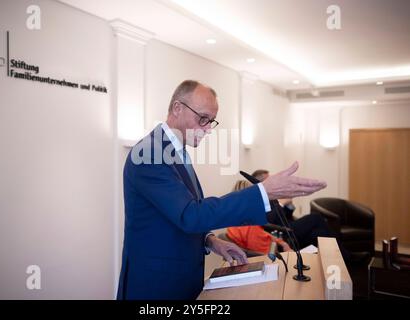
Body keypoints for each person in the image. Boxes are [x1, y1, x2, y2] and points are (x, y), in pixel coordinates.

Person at [117, 80, 327, 300]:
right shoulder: (150, 154)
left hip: (178, 279)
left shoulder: (175, 151)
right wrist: (262, 191)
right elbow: (191, 215)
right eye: (203, 119)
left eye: (211, 121)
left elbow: (177, 215)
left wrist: (210, 240)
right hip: (155, 285)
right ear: (177, 108)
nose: (207, 129)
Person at [252, 169, 351, 260]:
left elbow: (286, 216)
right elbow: (267, 221)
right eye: (270, 179)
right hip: (281, 232)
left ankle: (341, 257)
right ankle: (346, 256)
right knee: (315, 217)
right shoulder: (257, 200)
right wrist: (282, 203)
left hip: (289, 226)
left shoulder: (271, 195)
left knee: (319, 233)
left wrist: (289, 205)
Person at [227, 180, 293, 254]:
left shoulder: (239, 219)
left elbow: (261, 233)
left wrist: (282, 243)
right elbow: (267, 255)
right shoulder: (248, 225)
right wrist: (286, 254)